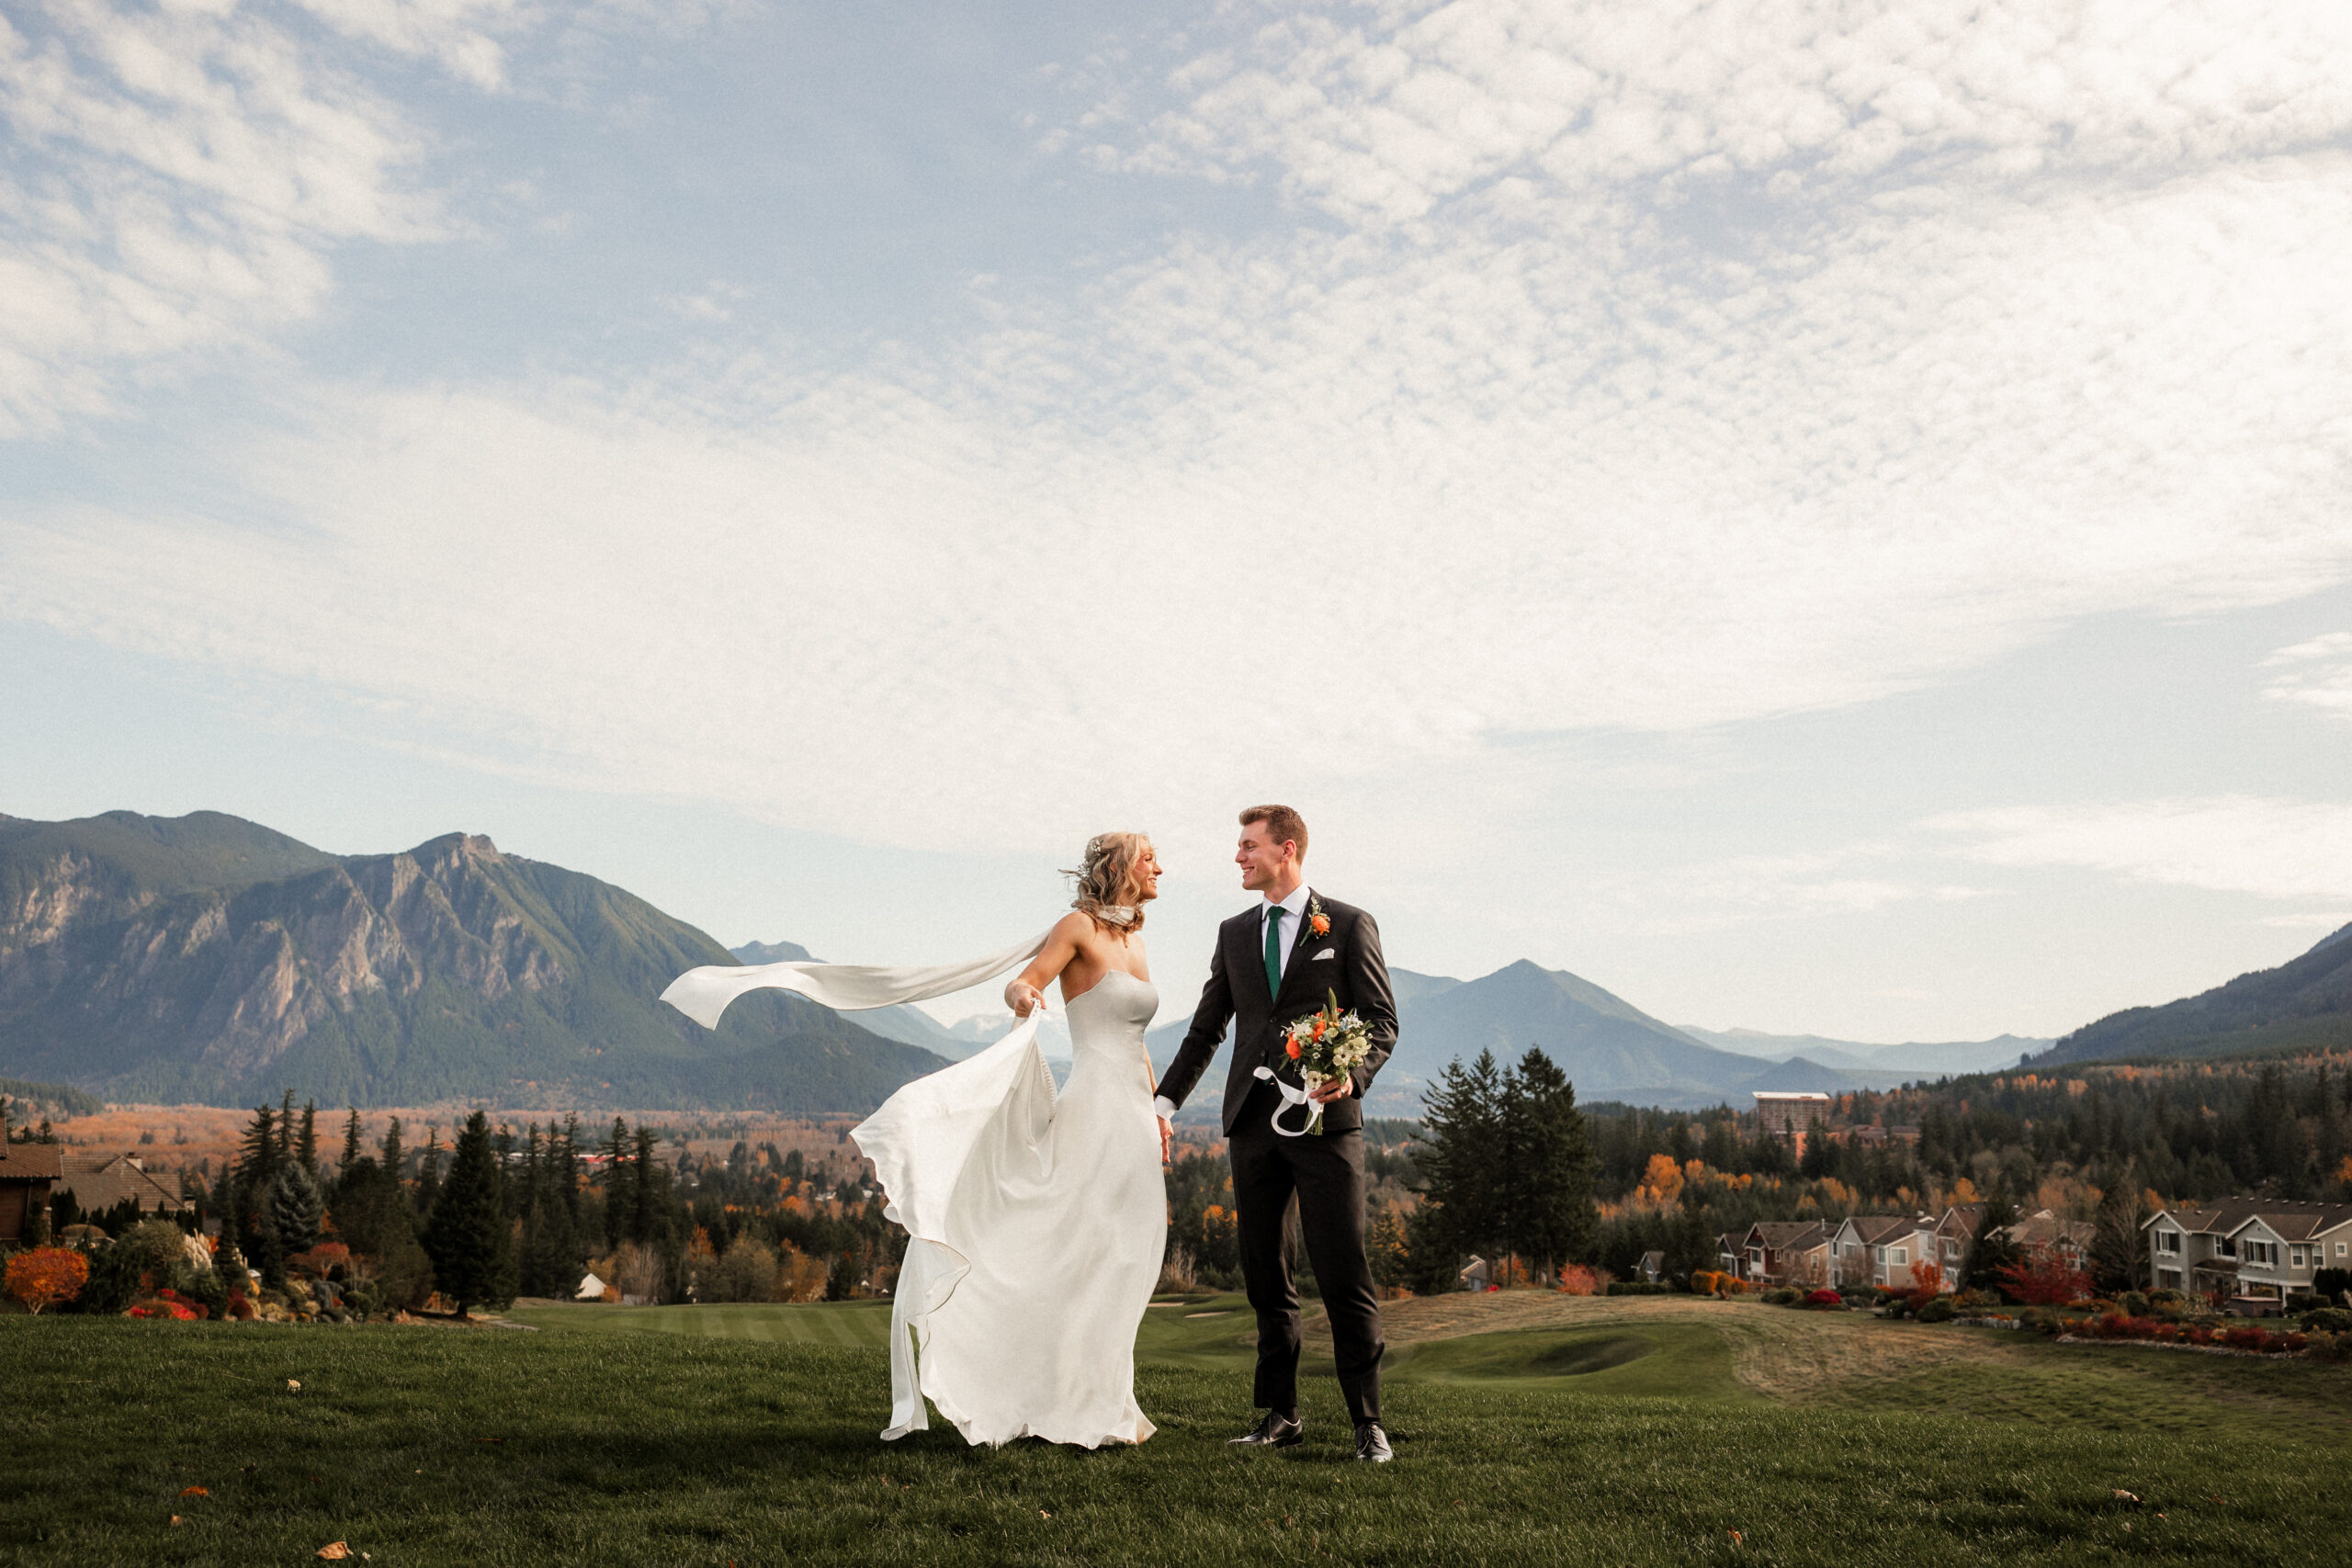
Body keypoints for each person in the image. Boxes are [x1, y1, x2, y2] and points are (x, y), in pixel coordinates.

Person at [659, 831, 1168, 1448]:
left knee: (1126, 1251)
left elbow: (1136, 1041)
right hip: (1093, 1109)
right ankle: (1055, 1395)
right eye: (1149, 857)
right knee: (1080, 1249)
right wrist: (1025, 994)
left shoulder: (1136, 942)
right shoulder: (1078, 928)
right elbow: (1022, 981)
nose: (1159, 867)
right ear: (1119, 866)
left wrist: (1159, 1108)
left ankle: (1108, 1395)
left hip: (1136, 1116)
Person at [1152, 805, 1399, 1462]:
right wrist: (1165, 1101)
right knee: (1266, 1273)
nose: (1238, 856)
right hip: (1252, 1126)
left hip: (1326, 1122)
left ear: (1286, 849)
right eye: (1238, 846)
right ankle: (1280, 1414)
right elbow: (1206, 1029)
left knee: (1342, 1267)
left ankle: (1368, 1421)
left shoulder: (1346, 924)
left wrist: (1350, 1075)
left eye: (1248, 845)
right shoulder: (1235, 932)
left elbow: (1380, 1021)